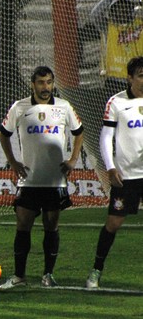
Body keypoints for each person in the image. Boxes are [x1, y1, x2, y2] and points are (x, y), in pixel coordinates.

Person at [0, 66, 84, 290]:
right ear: (32, 84)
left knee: (51, 227)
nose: (45, 87)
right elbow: (3, 134)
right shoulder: (20, 107)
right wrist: (13, 161)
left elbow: (79, 131)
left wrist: (74, 159)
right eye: (41, 83)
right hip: (29, 179)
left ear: (53, 83)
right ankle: (19, 276)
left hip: (55, 180)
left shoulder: (64, 107)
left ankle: (48, 274)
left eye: (49, 82)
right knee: (23, 225)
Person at [86, 56, 143, 288]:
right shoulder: (116, 103)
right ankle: (96, 271)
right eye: (140, 75)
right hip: (126, 176)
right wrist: (110, 167)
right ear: (129, 78)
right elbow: (106, 136)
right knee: (113, 223)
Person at [89, 0, 143, 93]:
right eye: (117, 8)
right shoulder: (110, 28)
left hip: (138, 79)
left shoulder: (140, 24)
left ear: (131, 10)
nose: (121, 12)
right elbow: (95, 14)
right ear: (112, 11)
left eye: (125, 8)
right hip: (115, 80)